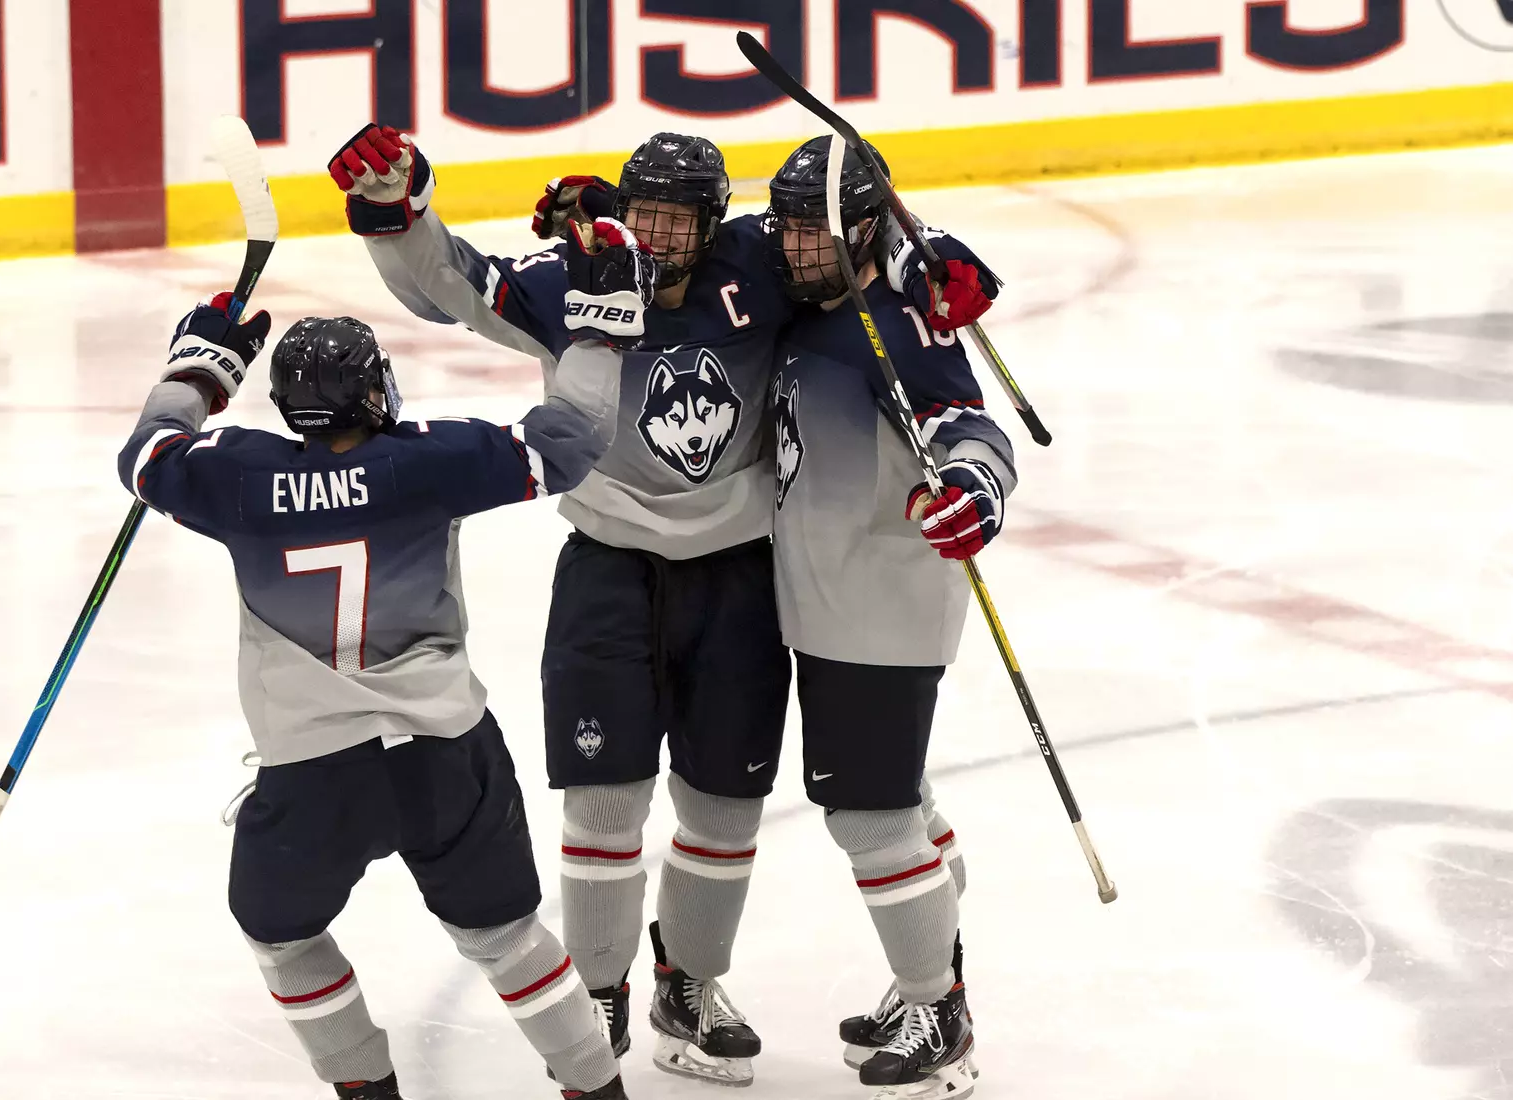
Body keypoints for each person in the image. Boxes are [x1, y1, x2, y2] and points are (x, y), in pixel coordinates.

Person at [113, 216, 655, 1100]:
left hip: (309, 774)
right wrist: (595, 331)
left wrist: (196, 372)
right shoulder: (430, 463)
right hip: (446, 754)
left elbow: (147, 457)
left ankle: (369, 1094)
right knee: (509, 939)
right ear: (376, 395)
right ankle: (598, 1091)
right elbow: (570, 443)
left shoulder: (237, 478)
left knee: (285, 939)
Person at [328, 123, 796, 1087]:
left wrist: (930, 267)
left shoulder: (763, 265)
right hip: (609, 570)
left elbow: (851, 259)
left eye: (680, 218)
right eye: (646, 214)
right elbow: (448, 286)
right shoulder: (580, 274)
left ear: (715, 221)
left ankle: (690, 985)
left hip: (739, 574)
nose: (659, 238)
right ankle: (601, 990)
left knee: (724, 804)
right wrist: (395, 213)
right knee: (603, 798)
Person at [762, 135, 1015, 1100]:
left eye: (812, 231)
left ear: (864, 230)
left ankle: (936, 1011)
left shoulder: (896, 324)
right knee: (895, 801)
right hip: (837, 598)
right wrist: (925, 244)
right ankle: (931, 977)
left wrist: (974, 487)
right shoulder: (822, 293)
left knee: (869, 813)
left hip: (880, 598)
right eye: (785, 227)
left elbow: (966, 423)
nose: (793, 246)